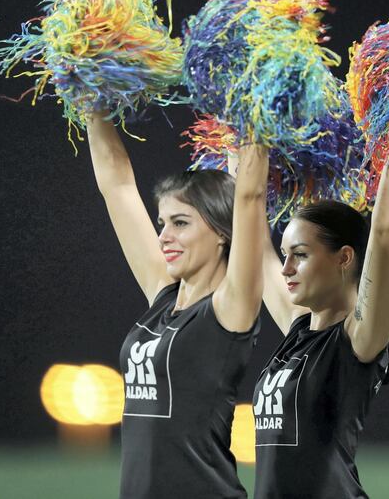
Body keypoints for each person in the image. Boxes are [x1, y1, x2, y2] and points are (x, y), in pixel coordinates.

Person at [86, 112, 268, 499]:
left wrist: (253, 107)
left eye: (181, 223)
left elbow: (249, 196)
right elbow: (116, 184)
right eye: (162, 222)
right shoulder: (163, 297)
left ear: (222, 232)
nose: (164, 236)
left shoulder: (228, 310)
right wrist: (89, 93)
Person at [252, 160, 389, 498]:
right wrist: (244, 139)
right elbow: (256, 243)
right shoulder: (297, 332)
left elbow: (383, 232)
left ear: (344, 258)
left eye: (301, 255)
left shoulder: (358, 339)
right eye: (286, 255)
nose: (286, 269)